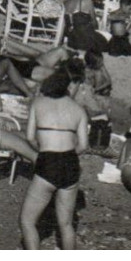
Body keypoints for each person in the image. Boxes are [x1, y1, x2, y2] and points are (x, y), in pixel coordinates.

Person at [20, 71, 88, 250]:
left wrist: (43, 150)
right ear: (67, 87)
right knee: (65, 224)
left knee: (27, 221)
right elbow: (83, 146)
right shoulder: (78, 110)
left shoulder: (38, 104)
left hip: (48, 161)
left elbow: (29, 138)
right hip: (70, 163)